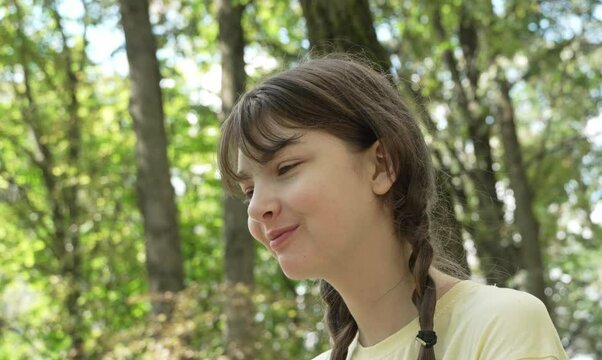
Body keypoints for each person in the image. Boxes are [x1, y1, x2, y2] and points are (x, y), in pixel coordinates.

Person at [218, 56, 567, 360]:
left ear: (381, 165)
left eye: (285, 168)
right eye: (249, 191)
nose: (258, 208)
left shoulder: (499, 326)